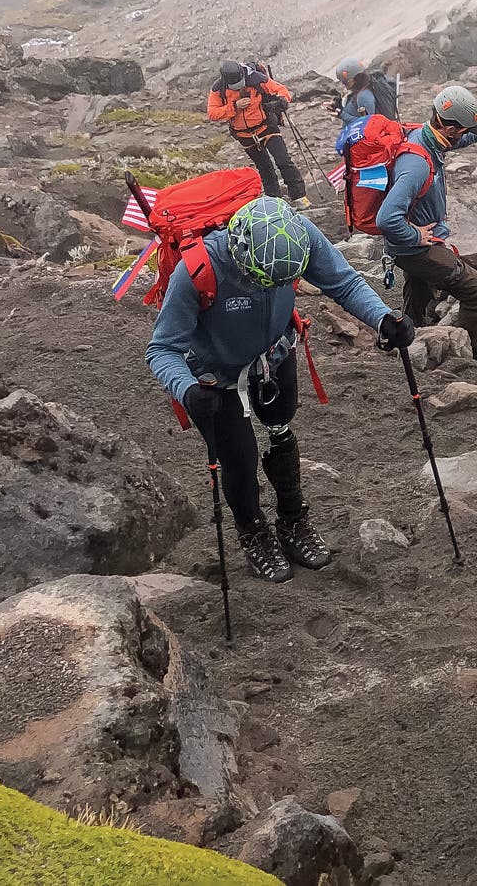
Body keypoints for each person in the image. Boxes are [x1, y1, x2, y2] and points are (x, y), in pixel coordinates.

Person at [146, 196, 414, 582]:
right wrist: (187, 390)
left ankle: (292, 518)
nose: (271, 286)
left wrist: (383, 319)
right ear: (241, 257)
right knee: (239, 459)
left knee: (280, 429)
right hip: (214, 379)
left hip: (275, 355)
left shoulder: (300, 235)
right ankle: (253, 531)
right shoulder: (195, 272)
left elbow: (343, 282)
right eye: (262, 280)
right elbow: (162, 348)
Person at [375, 85, 477, 357]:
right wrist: (414, 236)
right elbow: (386, 218)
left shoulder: (424, 135)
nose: (466, 135)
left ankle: (408, 340)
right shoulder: (417, 165)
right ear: (450, 129)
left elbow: (461, 139)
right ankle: (468, 355)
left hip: (410, 246)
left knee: (418, 293)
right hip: (415, 248)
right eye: (464, 130)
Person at [207, 59, 308, 206]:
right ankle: (274, 202)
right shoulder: (218, 89)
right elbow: (212, 113)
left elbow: (281, 90)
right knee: (265, 168)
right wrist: (234, 107)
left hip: (266, 126)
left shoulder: (256, 78)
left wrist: (282, 101)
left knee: (283, 161)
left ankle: (299, 197)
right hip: (244, 135)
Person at [328, 57, 399, 126]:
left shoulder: (364, 96)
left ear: (355, 78)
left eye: (346, 82)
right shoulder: (361, 88)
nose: (345, 86)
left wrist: (341, 115)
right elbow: (354, 110)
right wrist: (337, 106)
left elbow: (368, 124)